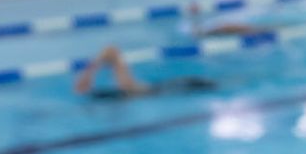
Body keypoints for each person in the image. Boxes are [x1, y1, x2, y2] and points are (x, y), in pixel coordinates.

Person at [73, 45, 217, 100]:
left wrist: (87, 74)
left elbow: (112, 51)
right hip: (168, 88)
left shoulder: (127, 87)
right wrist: (88, 75)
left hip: (169, 87)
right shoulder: (127, 89)